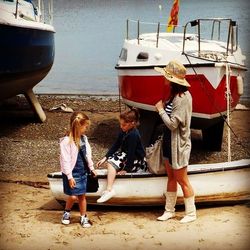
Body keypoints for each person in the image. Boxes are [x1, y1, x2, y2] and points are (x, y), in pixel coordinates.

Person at [154, 60, 197, 223]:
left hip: (178, 146)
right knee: (171, 177)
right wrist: (163, 108)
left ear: (172, 79)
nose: (163, 78)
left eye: (166, 75)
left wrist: (160, 110)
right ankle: (169, 210)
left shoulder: (183, 98)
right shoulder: (174, 94)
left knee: (182, 180)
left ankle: (191, 213)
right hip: (169, 143)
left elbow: (173, 125)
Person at [96, 108, 147, 203]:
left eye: (124, 125)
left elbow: (132, 153)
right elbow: (116, 145)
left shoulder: (133, 135)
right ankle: (110, 185)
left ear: (132, 123)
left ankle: (109, 190)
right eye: (120, 124)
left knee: (112, 161)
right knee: (111, 158)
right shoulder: (124, 131)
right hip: (128, 156)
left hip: (136, 160)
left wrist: (126, 169)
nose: (121, 126)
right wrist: (105, 157)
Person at [60, 111, 97, 227]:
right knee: (73, 196)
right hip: (71, 172)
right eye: (85, 126)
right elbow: (65, 160)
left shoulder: (84, 139)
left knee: (82, 196)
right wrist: (69, 177)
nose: (86, 129)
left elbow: (87, 155)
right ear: (78, 126)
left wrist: (91, 168)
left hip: (82, 171)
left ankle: (83, 217)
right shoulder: (66, 141)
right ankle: (66, 212)